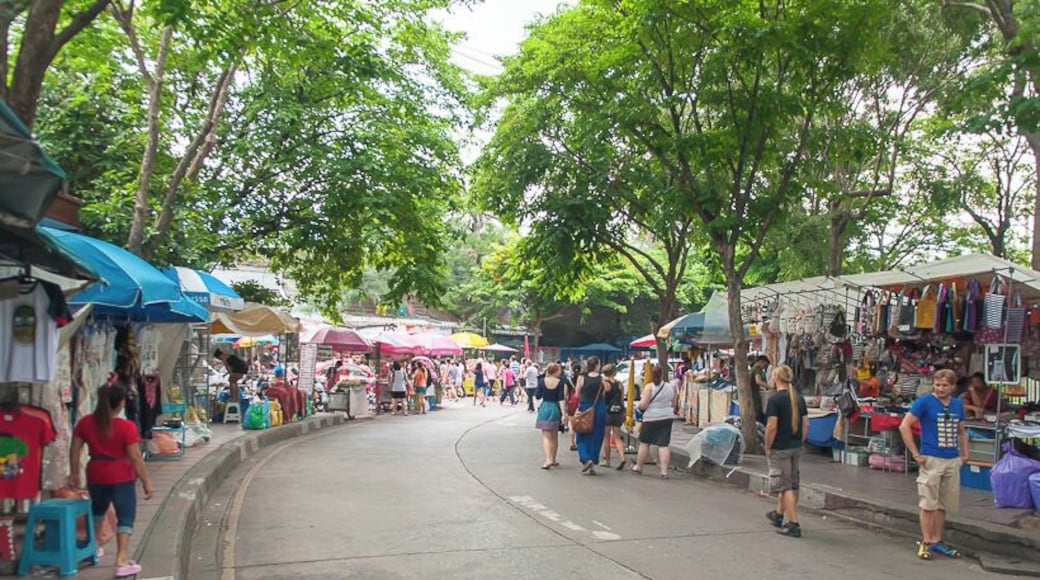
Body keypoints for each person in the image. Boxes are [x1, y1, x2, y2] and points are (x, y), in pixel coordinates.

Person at [69, 381, 154, 579]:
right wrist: (146, 482)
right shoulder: (126, 427)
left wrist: (74, 472)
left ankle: (94, 547)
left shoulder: (86, 423)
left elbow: (75, 450)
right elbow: (135, 457)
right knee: (125, 515)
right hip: (121, 474)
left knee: (97, 510)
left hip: (95, 472)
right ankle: (121, 560)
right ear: (120, 404)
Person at [900, 368, 968, 560]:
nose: (940, 389)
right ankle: (926, 540)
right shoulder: (924, 402)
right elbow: (904, 425)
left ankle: (938, 540)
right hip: (931, 458)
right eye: (937, 385)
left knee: (942, 504)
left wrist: (965, 454)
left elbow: (962, 431)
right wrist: (915, 453)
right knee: (928, 503)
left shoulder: (957, 405)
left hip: (951, 458)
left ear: (953, 386)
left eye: (944, 385)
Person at [764, 365, 808, 538]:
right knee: (791, 482)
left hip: (780, 447)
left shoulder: (775, 400)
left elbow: (771, 426)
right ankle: (778, 514)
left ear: (775, 377)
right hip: (795, 446)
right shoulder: (799, 398)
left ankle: (794, 523)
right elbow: (805, 424)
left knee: (785, 485)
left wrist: (768, 446)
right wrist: (800, 441)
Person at [630, 364, 679, 479]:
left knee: (645, 443)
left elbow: (644, 404)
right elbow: (674, 403)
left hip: (651, 418)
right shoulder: (670, 387)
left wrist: (638, 407)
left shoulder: (649, 387)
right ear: (662, 374)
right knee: (663, 444)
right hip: (667, 417)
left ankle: (639, 466)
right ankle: (664, 472)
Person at [575, 356, 607, 475]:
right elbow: (604, 394)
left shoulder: (581, 378)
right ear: (597, 365)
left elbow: (577, 394)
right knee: (597, 436)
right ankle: (592, 462)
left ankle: (585, 458)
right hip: (599, 408)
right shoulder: (602, 379)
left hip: (585, 407)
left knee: (582, 434)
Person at [535, 362, 567, 469]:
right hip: (555, 408)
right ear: (556, 371)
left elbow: (538, 396)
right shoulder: (560, 382)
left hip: (545, 407)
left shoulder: (541, 381)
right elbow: (561, 398)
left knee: (546, 436)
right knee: (554, 436)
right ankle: (553, 459)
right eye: (559, 370)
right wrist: (564, 414)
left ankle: (547, 459)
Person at [601, 364, 628, 470]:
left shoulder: (604, 384)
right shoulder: (620, 384)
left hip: (607, 412)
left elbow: (602, 398)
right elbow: (622, 400)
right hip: (618, 412)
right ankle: (622, 457)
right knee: (617, 437)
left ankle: (607, 460)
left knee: (606, 437)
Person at [751, 355, 771, 423]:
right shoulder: (757, 368)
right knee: (758, 412)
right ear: (761, 362)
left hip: (753, 392)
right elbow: (758, 381)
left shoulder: (753, 368)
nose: (764, 368)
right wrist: (770, 387)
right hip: (753, 393)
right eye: (765, 365)